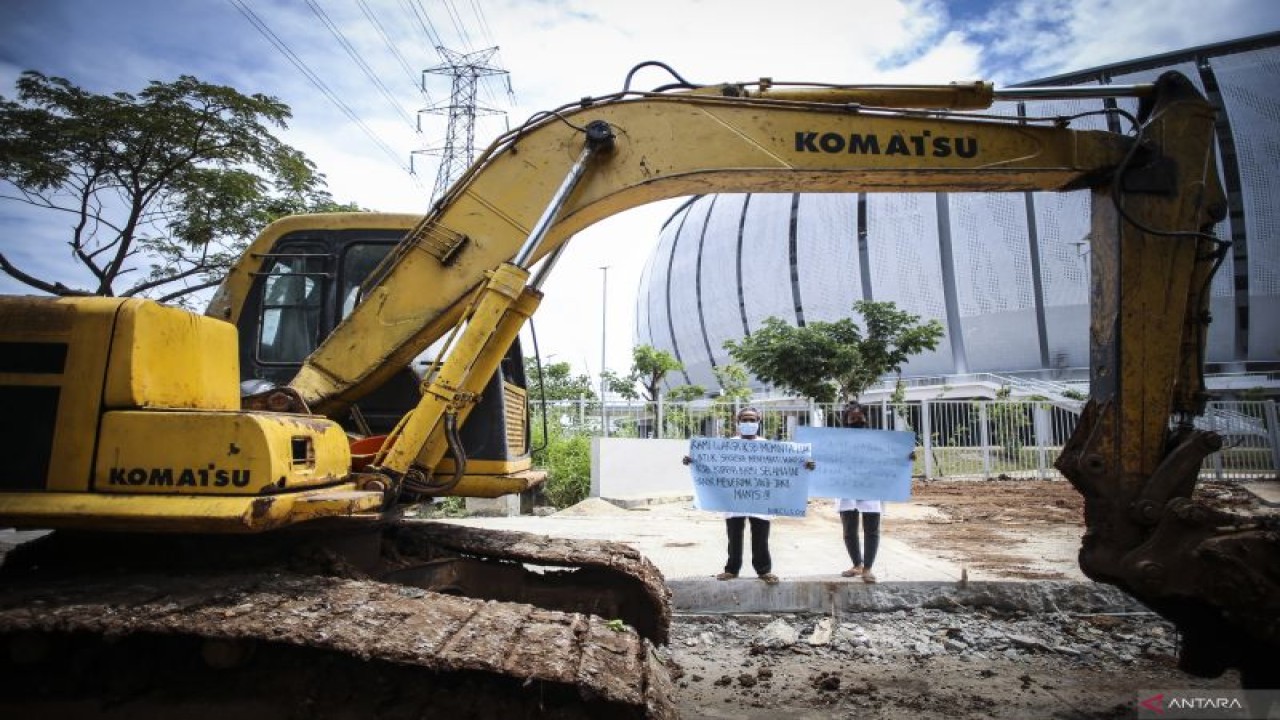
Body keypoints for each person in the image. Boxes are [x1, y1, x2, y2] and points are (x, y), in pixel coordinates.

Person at [685, 406, 812, 586]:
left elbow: (785, 464)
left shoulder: (768, 446)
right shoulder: (727, 445)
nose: (748, 423)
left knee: (761, 536)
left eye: (752, 420)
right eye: (744, 419)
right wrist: (694, 460)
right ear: (738, 422)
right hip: (734, 498)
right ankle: (731, 569)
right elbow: (711, 462)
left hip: (760, 499)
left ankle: (764, 570)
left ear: (759, 422)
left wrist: (804, 464)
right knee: (734, 535)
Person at [839, 401, 882, 584]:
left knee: (871, 529)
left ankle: (868, 568)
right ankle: (857, 564)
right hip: (845, 488)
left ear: (866, 419)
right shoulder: (836, 441)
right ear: (846, 421)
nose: (857, 421)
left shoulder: (877, 440)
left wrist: (907, 456)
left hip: (870, 487)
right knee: (849, 529)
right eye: (852, 418)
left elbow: (891, 457)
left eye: (860, 417)